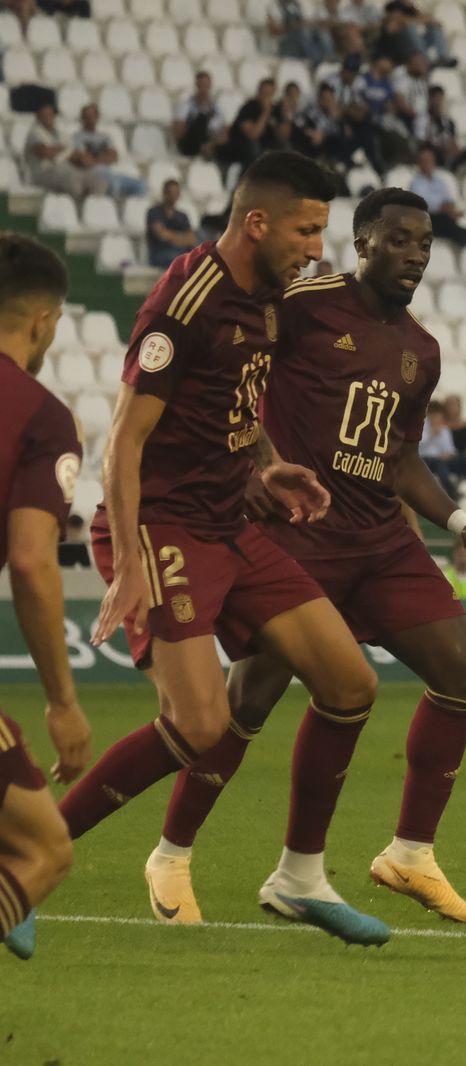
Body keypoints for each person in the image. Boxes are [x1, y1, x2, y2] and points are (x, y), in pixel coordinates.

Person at [142, 187, 466, 928]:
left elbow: (401, 459)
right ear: (362, 243)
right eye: (399, 240)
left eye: (425, 244)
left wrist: (459, 520)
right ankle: (171, 854)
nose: (415, 255)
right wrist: (252, 464)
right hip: (298, 536)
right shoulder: (304, 303)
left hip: (382, 541)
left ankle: (409, 854)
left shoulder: (421, 351)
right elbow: (234, 377)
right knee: (248, 700)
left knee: (462, 675)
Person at [59, 151, 391, 946]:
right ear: (257, 223)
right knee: (199, 724)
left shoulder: (268, 300)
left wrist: (267, 466)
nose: (316, 248)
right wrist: (130, 565)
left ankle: (299, 878)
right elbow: (122, 443)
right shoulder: (188, 299)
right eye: (306, 231)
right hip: (163, 527)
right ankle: (29, 855)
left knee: (351, 684)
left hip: (231, 526)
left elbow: (239, 407)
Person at [0, 233, 92, 962]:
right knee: (43, 849)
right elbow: (32, 564)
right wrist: (62, 701)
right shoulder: (41, 415)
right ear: (43, 322)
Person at [24, 104, 105, 200]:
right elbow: (45, 152)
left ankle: (91, 206)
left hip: (65, 169)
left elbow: (71, 151)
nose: (48, 117)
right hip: (44, 172)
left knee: (98, 181)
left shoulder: (59, 133)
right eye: (44, 115)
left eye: (50, 115)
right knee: (73, 182)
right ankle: (77, 206)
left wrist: (76, 155)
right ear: (38, 117)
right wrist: (62, 148)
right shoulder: (34, 133)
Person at [69, 105, 146, 200]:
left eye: (93, 116)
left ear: (97, 117)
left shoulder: (105, 136)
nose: (91, 119)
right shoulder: (78, 137)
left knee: (141, 185)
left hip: (110, 172)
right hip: (93, 174)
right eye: (87, 116)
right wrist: (104, 157)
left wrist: (94, 159)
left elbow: (114, 156)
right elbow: (85, 161)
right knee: (114, 184)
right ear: (82, 118)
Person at [408, 147, 466, 245]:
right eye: (425, 161)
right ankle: (465, 238)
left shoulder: (440, 182)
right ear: (420, 164)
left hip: (445, 215)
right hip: (428, 218)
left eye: (430, 161)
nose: (428, 164)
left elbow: (449, 200)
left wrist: (450, 209)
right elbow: (424, 204)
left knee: (453, 220)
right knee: (446, 222)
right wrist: (443, 207)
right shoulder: (416, 183)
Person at [172, 71, 229, 159]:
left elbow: (224, 130)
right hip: (190, 143)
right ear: (197, 85)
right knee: (201, 118)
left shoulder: (217, 108)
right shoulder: (186, 106)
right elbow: (179, 132)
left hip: (212, 141)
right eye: (201, 84)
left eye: (206, 84)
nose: (204, 87)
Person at [146, 180, 199, 270]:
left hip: (180, 251)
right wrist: (182, 238)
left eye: (176, 192)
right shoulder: (154, 212)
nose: (174, 195)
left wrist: (172, 238)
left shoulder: (182, 216)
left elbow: (192, 239)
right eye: (171, 192)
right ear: (165, 193)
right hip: (159, 253)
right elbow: (162, 235)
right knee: (179, 259)